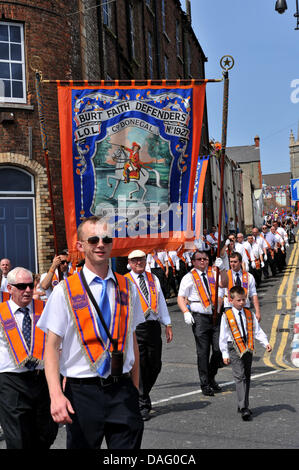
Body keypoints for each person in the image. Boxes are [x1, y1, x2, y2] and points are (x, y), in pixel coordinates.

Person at [37, 215, 145, 450]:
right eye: (93, 239)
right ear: (80, 245)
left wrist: (134, 389)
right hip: (83, 392)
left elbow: (132, 339)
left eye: (106, 239)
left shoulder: (128, 288)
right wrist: (56, 395)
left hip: (122, 390)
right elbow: (51, 347)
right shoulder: (64, 290)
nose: (100, 244)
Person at [0, 267, 57, 448]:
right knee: (18, 439)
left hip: (42, 379)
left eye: (30, 286)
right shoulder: (1, 312)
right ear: (9, 288)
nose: (27, 290)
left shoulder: (45, 309)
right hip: (11, 381)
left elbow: (58, 344)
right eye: (21, 286)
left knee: (45, 433)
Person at [125, 250, 173, 421]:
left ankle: (142, 394)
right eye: (135, 260)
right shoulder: (125, 281)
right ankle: (142, 401)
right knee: (140, 364)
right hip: (135, 328)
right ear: (129, 263)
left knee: (155, 364)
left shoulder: (153, 278)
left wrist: (167, 323)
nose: (139, 262)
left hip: (152, 325)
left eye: (142, 260)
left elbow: (160, 301)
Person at [177, 251, 228, 396]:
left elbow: (224, 283)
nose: (203, 261)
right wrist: (185, 312)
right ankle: (205, 383)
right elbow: (181, 297)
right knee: (203, 352)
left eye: (205, 259)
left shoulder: (214, 272)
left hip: (216, 316)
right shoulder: (188, 277)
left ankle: (211, 376)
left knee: (219, 349)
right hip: (200, 317)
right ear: (193, 262)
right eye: (199, 259)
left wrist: (223, 268)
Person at [219, 286, 272, 421]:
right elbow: (223, 337)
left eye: (243, 300)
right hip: (233, 347)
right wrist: (224, 354)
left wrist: (265, 343)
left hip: (247, 346)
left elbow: (257, 331)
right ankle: (244, 408)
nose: (242, 303)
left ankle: (242, 403)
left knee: (247, 376)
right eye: (239, 300)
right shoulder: (227, 316)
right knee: (239, 376)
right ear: (231, 300)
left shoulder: (249, 314)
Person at [218, 252, 261, 322]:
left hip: (245, 306)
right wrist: (217, 311)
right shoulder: (225, 276)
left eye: (235, 262)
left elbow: (253, 294)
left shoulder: (249, 276)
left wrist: (258, 311)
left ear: (240, 262)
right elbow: (220, 294)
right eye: (231, 262)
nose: (232, 264)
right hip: (229, 307)